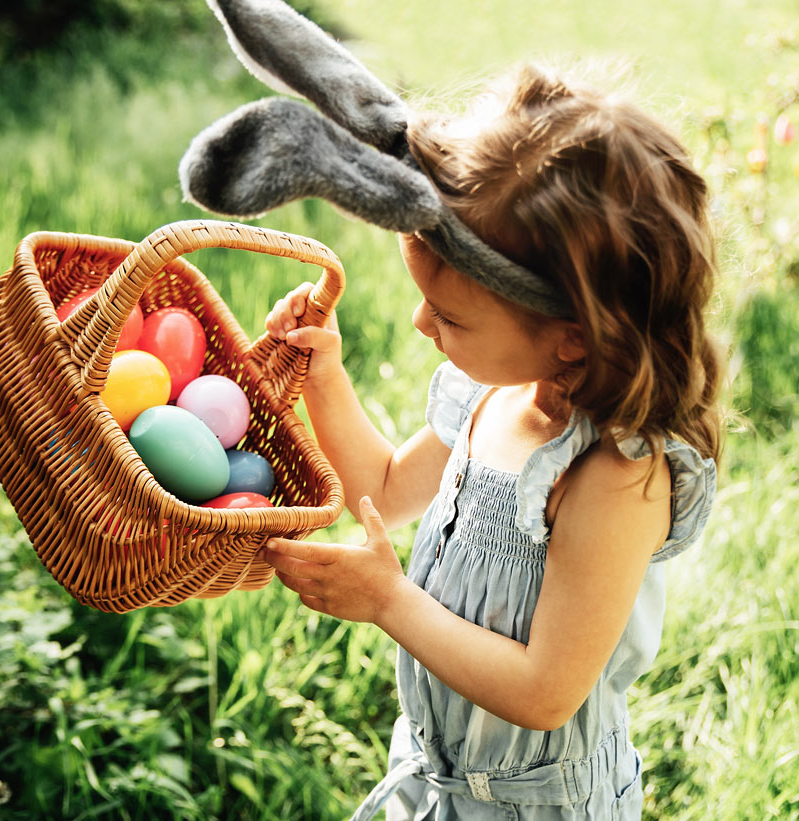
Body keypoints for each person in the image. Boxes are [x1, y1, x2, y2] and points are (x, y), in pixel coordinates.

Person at [257, 63, 723, 820]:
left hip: (538, 805)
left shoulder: (613, 475)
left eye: (451, 316)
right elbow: (381, 487)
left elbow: (545, 691)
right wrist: (323, 375)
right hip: (436, 775)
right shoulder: (492, 394)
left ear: (571, 339)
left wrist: (388, 600)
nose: (420, 326)